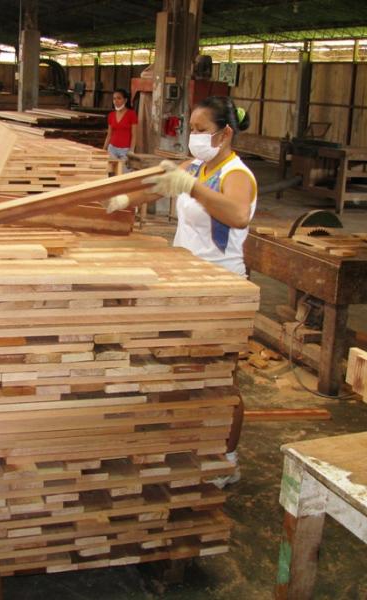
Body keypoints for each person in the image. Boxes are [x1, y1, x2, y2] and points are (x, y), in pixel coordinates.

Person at [104, 96, 257, 488]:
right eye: (192, 128)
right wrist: (121, 200)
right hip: (183, 280)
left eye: (202, 130)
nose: (194, 136)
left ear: (225, 134)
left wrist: (192, 185)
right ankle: (185, 445)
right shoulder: (195, 165)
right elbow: (154, 189)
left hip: (221, 288)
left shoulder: (236, 174)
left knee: (222, 379)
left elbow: (237, 214)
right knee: (180, 370)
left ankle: (227, 456)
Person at [102, 88, 137, 162]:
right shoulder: (111, 115)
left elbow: (134, 135)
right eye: (114, 99)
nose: (116, 101)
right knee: (111, 172)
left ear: (125, 100)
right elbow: (109, 135)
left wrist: (131, 150)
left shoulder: (131, 114)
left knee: (124, 172)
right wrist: (103, 149)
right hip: (112, 149)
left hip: (125, 150)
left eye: (119, 98)